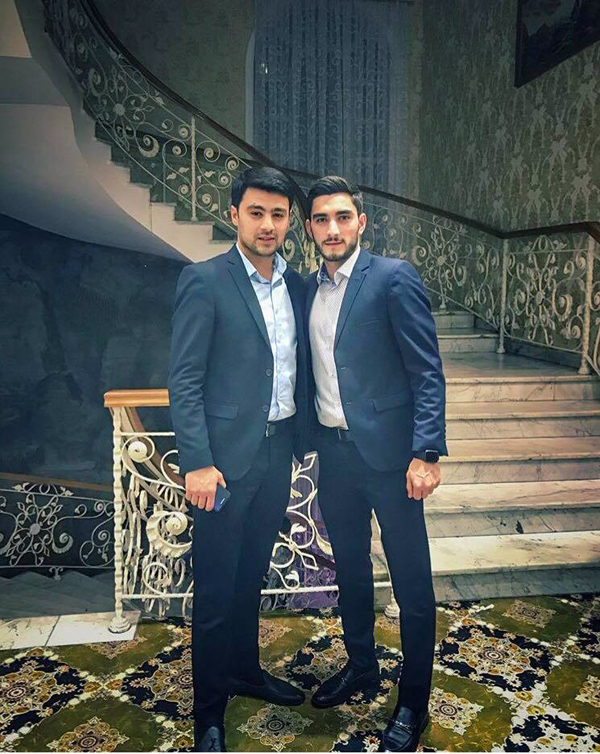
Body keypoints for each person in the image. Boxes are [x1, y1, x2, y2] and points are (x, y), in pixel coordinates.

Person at [304, 176, 447, 752]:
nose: (332, 228)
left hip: (391, 459)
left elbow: (426, 372)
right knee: (351, 570)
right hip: (335, 456)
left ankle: (414, 703)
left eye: (343, 217)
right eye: (321, 219)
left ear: (361, 222)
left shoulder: (392, 277)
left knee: (411, 582)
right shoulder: (306, 289)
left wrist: (426, 452)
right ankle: (362, 666)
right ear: (310, 228)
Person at [169, 167, 309, 752]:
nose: (268, 224)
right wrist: (197, 463)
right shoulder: (204, 280)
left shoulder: (298, 287)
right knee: (216, 591)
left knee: (252, 576)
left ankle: (246, 672)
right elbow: (185, 380)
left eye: (278, 214)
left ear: (289, 222)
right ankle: (208, 714)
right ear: (234, 215)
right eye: (257, 212)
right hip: (222, 465)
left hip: (278, 454)